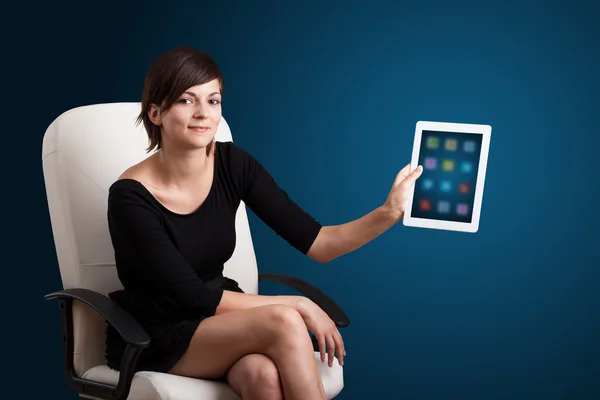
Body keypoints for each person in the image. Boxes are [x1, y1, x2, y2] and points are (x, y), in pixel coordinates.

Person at [105, 46, 423, 400]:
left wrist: (389, 212)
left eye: (213, 101)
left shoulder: (234, 165)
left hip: (218, 319)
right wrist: (298, 305)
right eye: (185, 100)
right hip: (156, 331)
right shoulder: (129, 197)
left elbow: (319, 243)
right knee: (285, 320)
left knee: (262, 378)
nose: (203, 114)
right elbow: (190, 296)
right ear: (155, 112)